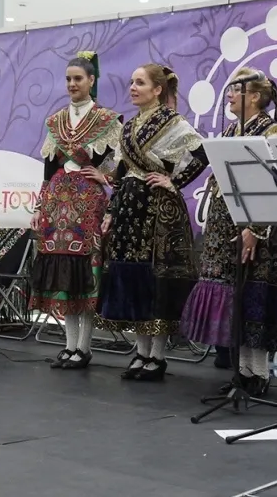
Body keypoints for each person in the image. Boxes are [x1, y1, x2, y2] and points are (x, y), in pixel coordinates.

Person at [180, 67, 277, 396]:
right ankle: (242, 371)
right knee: (236, 299)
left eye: (234, 90)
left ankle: (258, 373)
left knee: (253, 296)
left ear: (254, 96)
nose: (227, 95)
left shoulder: (271, 131)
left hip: (251, 228)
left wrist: (255, 229)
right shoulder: (231, 130)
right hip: (224, 228)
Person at [96, 63, 207, 381]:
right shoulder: (128, 127)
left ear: (157, 90)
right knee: (134, 279)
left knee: (157, 278)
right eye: (131, 82)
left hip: (158, 211)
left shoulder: (174, 123)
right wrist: (109, 211)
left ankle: (157, 356)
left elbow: (201, 155)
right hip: (130, 209)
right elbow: (118, 174)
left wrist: (175, 181)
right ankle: (141, 352)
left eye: (140, 83)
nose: (132, 87)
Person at [30, 51, 123, 370]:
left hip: (88, 202)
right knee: (63, 273)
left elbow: (116, 158)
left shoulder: (108, 119)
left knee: (86, 272)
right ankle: (69, 345)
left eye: (78, 79)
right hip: (57, 201)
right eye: (69, 79)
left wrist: (105, 175)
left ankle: (84, 347)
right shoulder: (55, 121)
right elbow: (47, 166)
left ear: (91, 81)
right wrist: (40, 204)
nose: (72, 84)